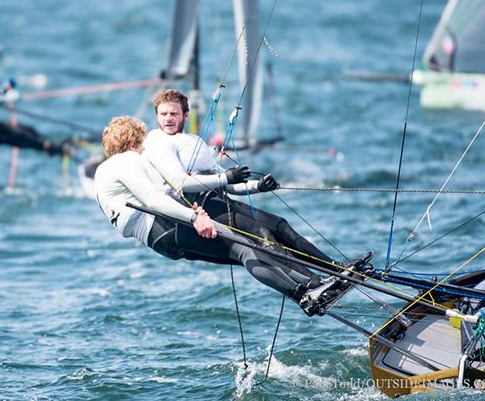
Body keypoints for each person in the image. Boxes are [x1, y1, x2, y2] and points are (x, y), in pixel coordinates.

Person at [141, 89, 373, 312]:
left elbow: (227, 183)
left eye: (173, 113)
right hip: (197, 205)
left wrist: (256, 186)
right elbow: (179, 182)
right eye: (163, 114)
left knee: (278, 225)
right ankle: (314, 284)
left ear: (185, 115)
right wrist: (225, 177)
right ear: (157, 116)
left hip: (218, 199)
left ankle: (335, 271)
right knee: (262, 235)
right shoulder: (158, 140)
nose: (168, 119)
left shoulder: (192, 140)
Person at [94, 116, 349, 316]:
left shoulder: (102, 174)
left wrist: (192, 212)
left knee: (244, 254)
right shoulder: (125, 160)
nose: (143, 151)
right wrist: (195, 218)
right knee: (246, 249)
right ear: (130, 143)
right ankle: (305, 293)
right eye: (141, 146)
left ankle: (311, 287)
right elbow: (153, 200)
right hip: (164, 227)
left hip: (162, 240)